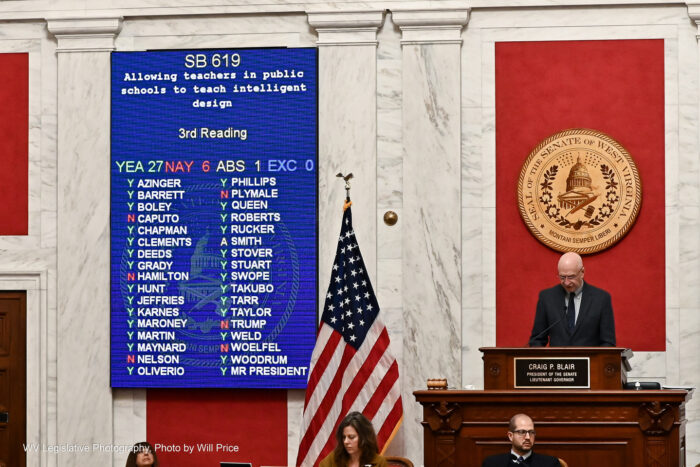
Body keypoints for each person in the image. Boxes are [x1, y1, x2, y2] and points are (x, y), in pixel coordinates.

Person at [529, 251, 616, 346]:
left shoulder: (601, 299)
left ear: (582, 272)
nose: (566, 282)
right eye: (562, 277)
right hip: (558, 360)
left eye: (571, 277)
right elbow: (537, 340)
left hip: (590, 360)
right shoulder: (546, 298)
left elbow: (608, 343)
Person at [482, 414, 561, 466]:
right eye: (522, 432)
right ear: (510, 436)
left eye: (531, 432)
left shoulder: (551, 464)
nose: (527, 437)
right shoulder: (491, 463)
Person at [319, 411, 388, 467]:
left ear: (364, 437)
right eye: (344, 437)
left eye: (351, 437)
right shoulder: (334, 458)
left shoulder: (379, 462)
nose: (346, 441)